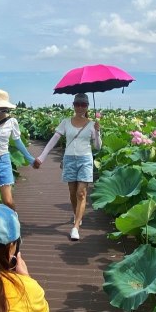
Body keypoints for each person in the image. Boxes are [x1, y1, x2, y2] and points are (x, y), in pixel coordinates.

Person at [34, 93, 102, 241]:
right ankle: (77, 214)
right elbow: (54, 139)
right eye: (77, 104)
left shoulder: (92, 124)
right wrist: (42, 156)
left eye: (83, 104)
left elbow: (97, 146)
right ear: (73, 105)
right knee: (72, 192)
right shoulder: (65, 122)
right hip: (69, 159)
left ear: (87, 106)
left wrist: (97, 131)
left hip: (85, 159)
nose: (80, 107)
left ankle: (76, 226)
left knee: (81, 193)